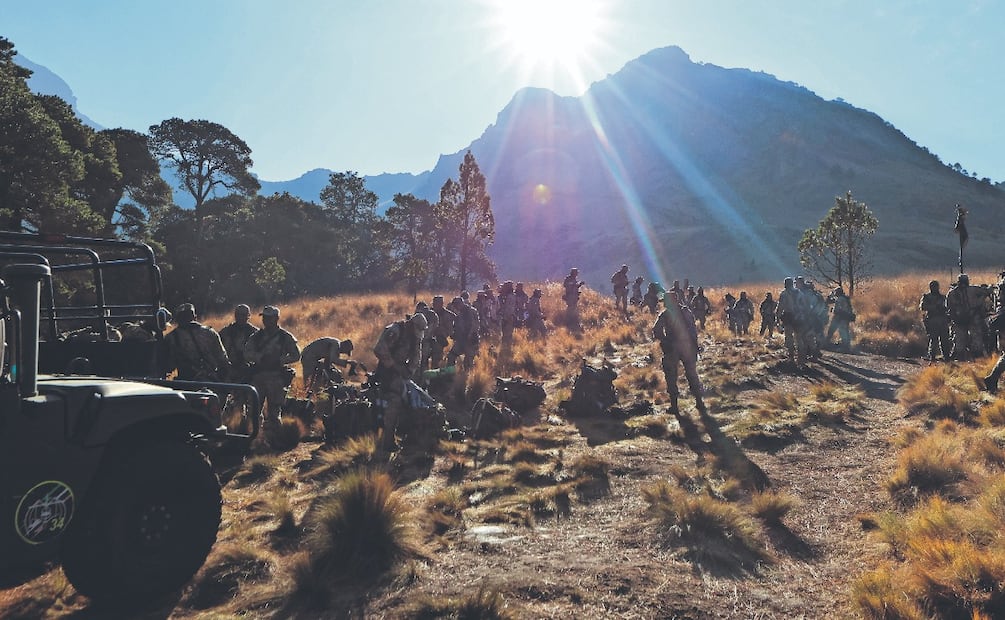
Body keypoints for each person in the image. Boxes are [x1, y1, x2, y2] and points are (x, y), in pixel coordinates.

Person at [373, 312, 427, 451]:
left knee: (414, 397)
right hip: (386, 372)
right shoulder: (395, 330)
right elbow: (379, 349)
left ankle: (410, 434)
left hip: (401, 373)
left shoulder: (416, 337)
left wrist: (408, 372)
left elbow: (416, 358)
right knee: (395, 400)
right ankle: (387, 441)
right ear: (411, 324)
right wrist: (393, 365)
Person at [243, 305, 300, 430]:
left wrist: (280, 360)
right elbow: (246, 354)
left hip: (276, 378)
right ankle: (254, 438)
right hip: (258, 377)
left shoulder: (285, 337)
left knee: (274, 413)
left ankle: (274, 439)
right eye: (264, 318)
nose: (266, 320)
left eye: (269, 318)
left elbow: (296, 355)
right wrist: (259, 357)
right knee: (253, 411)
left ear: (276, 318)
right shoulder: (256, 336)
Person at [652, 290, 705, 415]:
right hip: (687, 346)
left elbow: (656, 330)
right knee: (692, 373)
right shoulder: (686, 311)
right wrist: (694, 345)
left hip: (672, 347)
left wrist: (665, 341)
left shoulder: (665, 314)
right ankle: (699, 402)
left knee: (671, 376)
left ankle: (675, 407)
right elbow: (693, 330)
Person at [163, 303, 230, 381]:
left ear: (178, 319)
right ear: (195, 317)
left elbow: (168, 366)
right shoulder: (209, 332)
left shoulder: (171, 337)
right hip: (210, 379)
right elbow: (222, 358)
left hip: (188, 381)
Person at [219, 304, 258, 381]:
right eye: (238, 314)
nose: (240, 317)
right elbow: (218, 350)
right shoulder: (225, 332)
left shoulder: (255, 333)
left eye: (243, 315)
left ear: (248, 316)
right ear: (235, 315)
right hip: (229, 369)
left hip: (248, 370)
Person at [947, 273, 977, 360]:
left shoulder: (972, 290)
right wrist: (954, 317)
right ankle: (961, 359)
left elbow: (985, 292)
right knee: (959, 341)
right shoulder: (952, 293)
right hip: (958, 320)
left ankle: (974, 358)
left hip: (971, 318)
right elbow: (949, 307)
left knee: (975, 340)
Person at [920, 280, 951, 362]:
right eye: (933, 286)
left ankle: (946, 357)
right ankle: (932, 358)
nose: (934, 288)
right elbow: (923, 307)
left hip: (942, 320)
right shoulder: (927, 297)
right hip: (932, 320)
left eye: (935, 286)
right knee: (933, 340)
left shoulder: (943, 297)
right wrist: (934, 307)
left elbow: (948, 307)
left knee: (944, 340)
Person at [777, 277, 806, 366]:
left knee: (789, 338)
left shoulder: (784, 294)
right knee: (799, 338)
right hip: (799, 318)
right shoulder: (799, 292)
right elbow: (804, 305)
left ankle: (791, 358)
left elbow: (780, 307)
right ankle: (801, 359)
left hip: (789, 317)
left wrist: (777, 317)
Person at [447, 296, 480, 369]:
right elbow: (457, 326)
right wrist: (454, 334)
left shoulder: (471, 311)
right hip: (461, 340)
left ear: (460, 304)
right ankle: (450, 374)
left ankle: (469, 379)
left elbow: (475, 326)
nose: (455, 307)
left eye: (456, 305)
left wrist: (470, 335)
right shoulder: (459, 314)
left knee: (468, 362)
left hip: (470, 341)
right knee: (451, 356)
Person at [430, 295, 456, 369]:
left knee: (437, 357)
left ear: (441, 304)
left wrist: (443, 333)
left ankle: (436, 373)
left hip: (440, 339)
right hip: (428, 337)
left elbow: (451, 328)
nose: (435, 305)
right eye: (434, 303)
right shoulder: (430, 312)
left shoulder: (448, 315)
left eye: (437, 303)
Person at [826, 287, 855, 352]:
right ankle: (846, 346)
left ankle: (845, 348)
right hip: (843, 317)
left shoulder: (840, 299)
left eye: (836, 292)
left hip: (841, 317)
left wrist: (830, 297)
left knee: (841, 332)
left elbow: (837, 309)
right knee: (844, 332)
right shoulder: (844, 298)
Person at [414, 301, 440, 369]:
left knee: (420, 360)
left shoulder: (418, 314)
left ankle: (420, 377)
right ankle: (427, 376)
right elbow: (436, 325)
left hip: (420, 341)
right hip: (429, 340)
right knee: (425, 360)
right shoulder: (433, 314)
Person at [497, 281, 517, 348]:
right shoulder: (508, 296)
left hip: (508, 318)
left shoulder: (510, 296)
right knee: (506, 334)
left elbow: (509, 309)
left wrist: (506, 318)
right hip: (507, 317)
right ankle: (506, 348)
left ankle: (506, 349)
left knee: (507, 334)